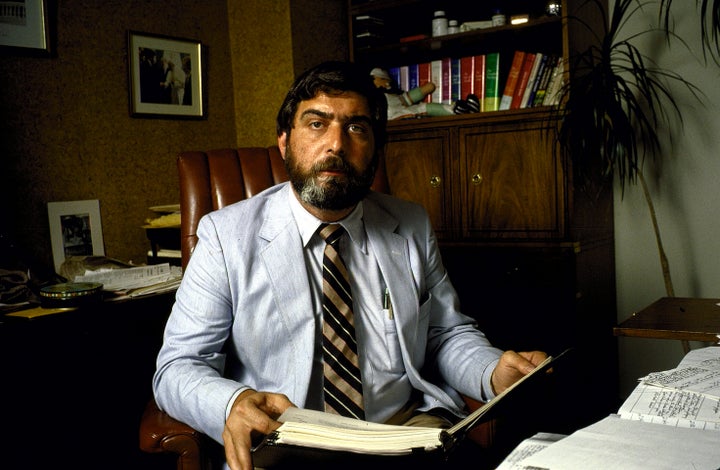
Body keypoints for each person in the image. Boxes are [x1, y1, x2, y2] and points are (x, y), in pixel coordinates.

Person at [152, 60, 547, 470]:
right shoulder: (224, 235)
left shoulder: (410, 223)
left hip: (403, 432)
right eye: (317, 124)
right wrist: (232, 403)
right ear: (285, 143)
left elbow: (443, 334)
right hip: (287, 444)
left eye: (356, 127)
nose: (336, 145)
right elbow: (178, 368)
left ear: (376, 148)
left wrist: (490, 371)